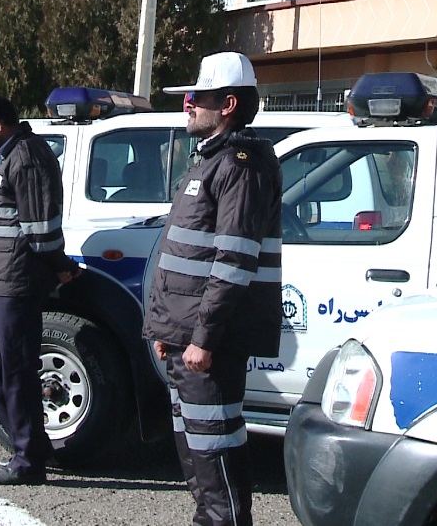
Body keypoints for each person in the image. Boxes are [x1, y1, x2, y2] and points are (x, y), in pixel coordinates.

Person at [144, 52, 282, 526]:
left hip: (210, 345)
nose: (186, 104)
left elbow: (233, 263)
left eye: (195, 97)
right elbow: (185, 257)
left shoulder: (241, 167)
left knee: (216, 448)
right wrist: (168, 329)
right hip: (185, 339)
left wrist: (203, 337)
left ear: (227, 104)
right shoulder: (209, 161)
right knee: (197, 451)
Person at [0, 91, 80, 486]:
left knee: (15, 369)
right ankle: (30, 444)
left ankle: (29, 458)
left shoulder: (27, 157)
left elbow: (41, 230)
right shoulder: (10, 156)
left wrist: (60, 267)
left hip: (16, 283)